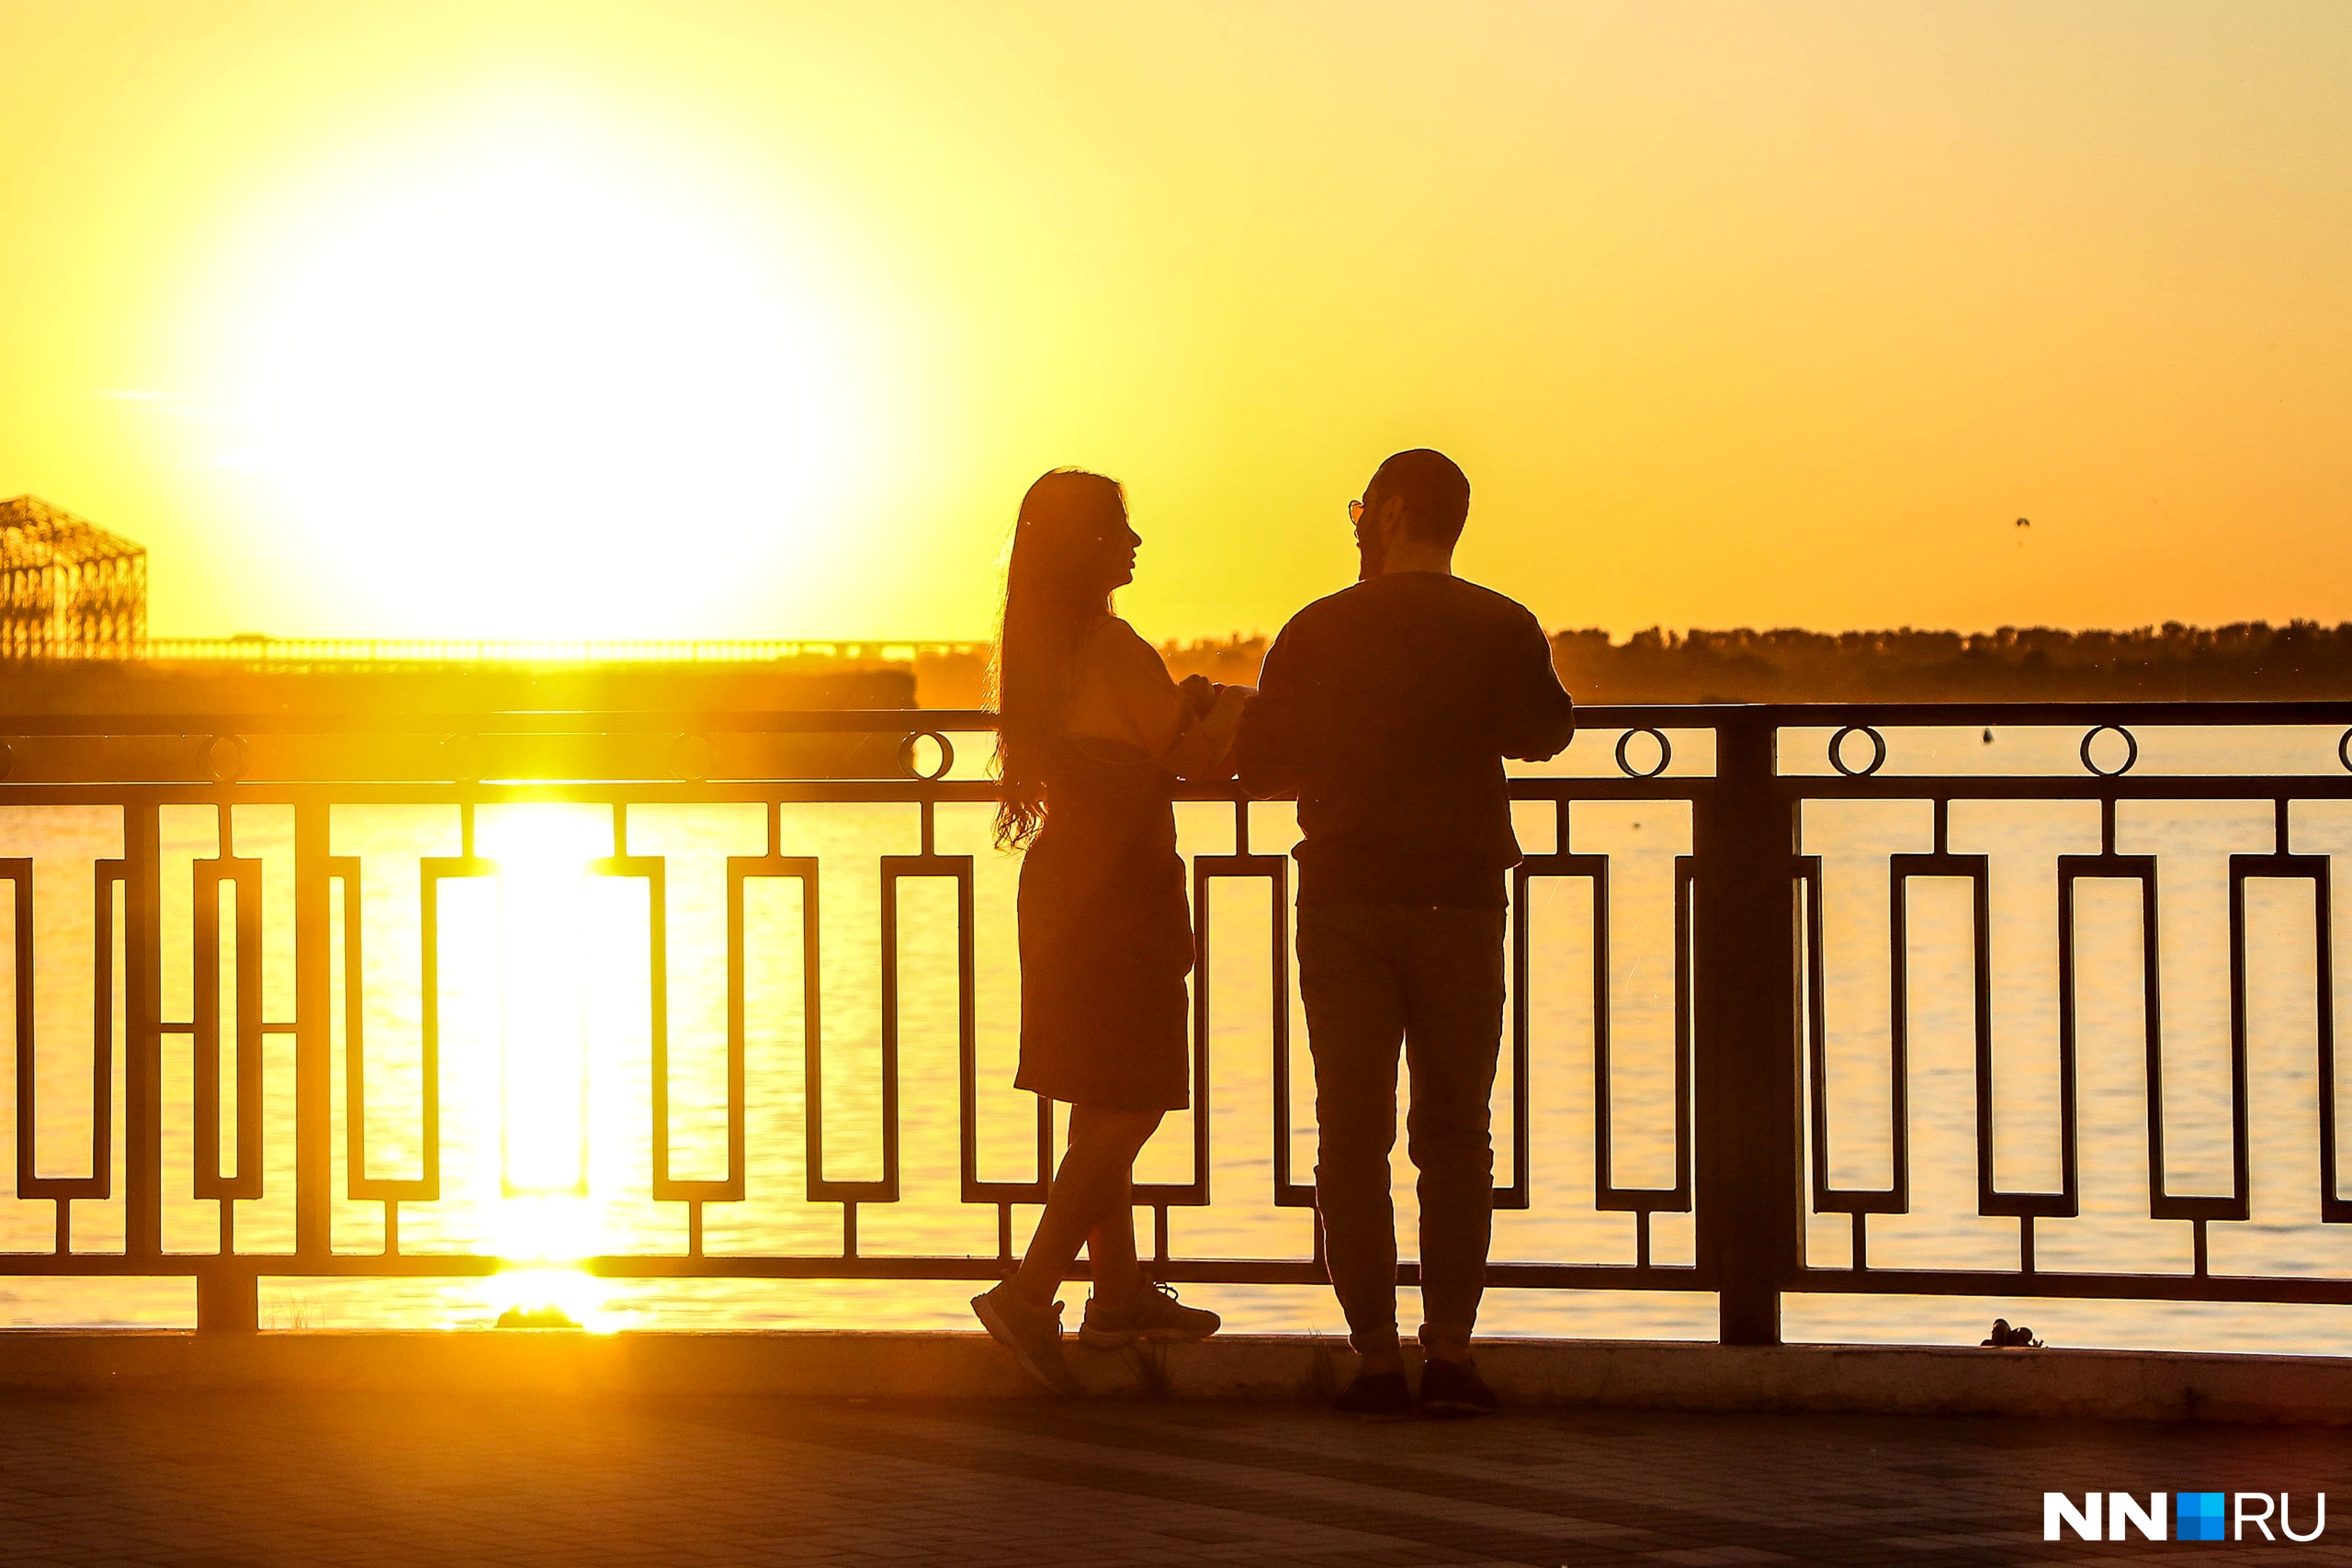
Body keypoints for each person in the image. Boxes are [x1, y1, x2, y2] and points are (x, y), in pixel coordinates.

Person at [1236, 448, 1575, 1418]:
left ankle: (1375, 1359)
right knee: (1456, 1136)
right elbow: (1545, 730)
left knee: (1351, 1133)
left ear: (1384, 515)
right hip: (1460, 898)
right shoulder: (1498, 622)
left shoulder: (1319, 627)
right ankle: (1452, 1356)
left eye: (1359, 511)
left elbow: (1265, 757)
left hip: (1343, 899)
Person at [972, 468, 1249, 1393]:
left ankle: (1119, 1293)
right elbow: (1194, 751)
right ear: (1086, 548)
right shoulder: (1113, 648)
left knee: (1100, 1098)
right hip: (1120, 895)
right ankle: (1029, 1290)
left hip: (1064, 889)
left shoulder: (1045, 658)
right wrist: (1233, 703)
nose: (1135, 544)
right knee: (1132, 1100)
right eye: (1121, 530)